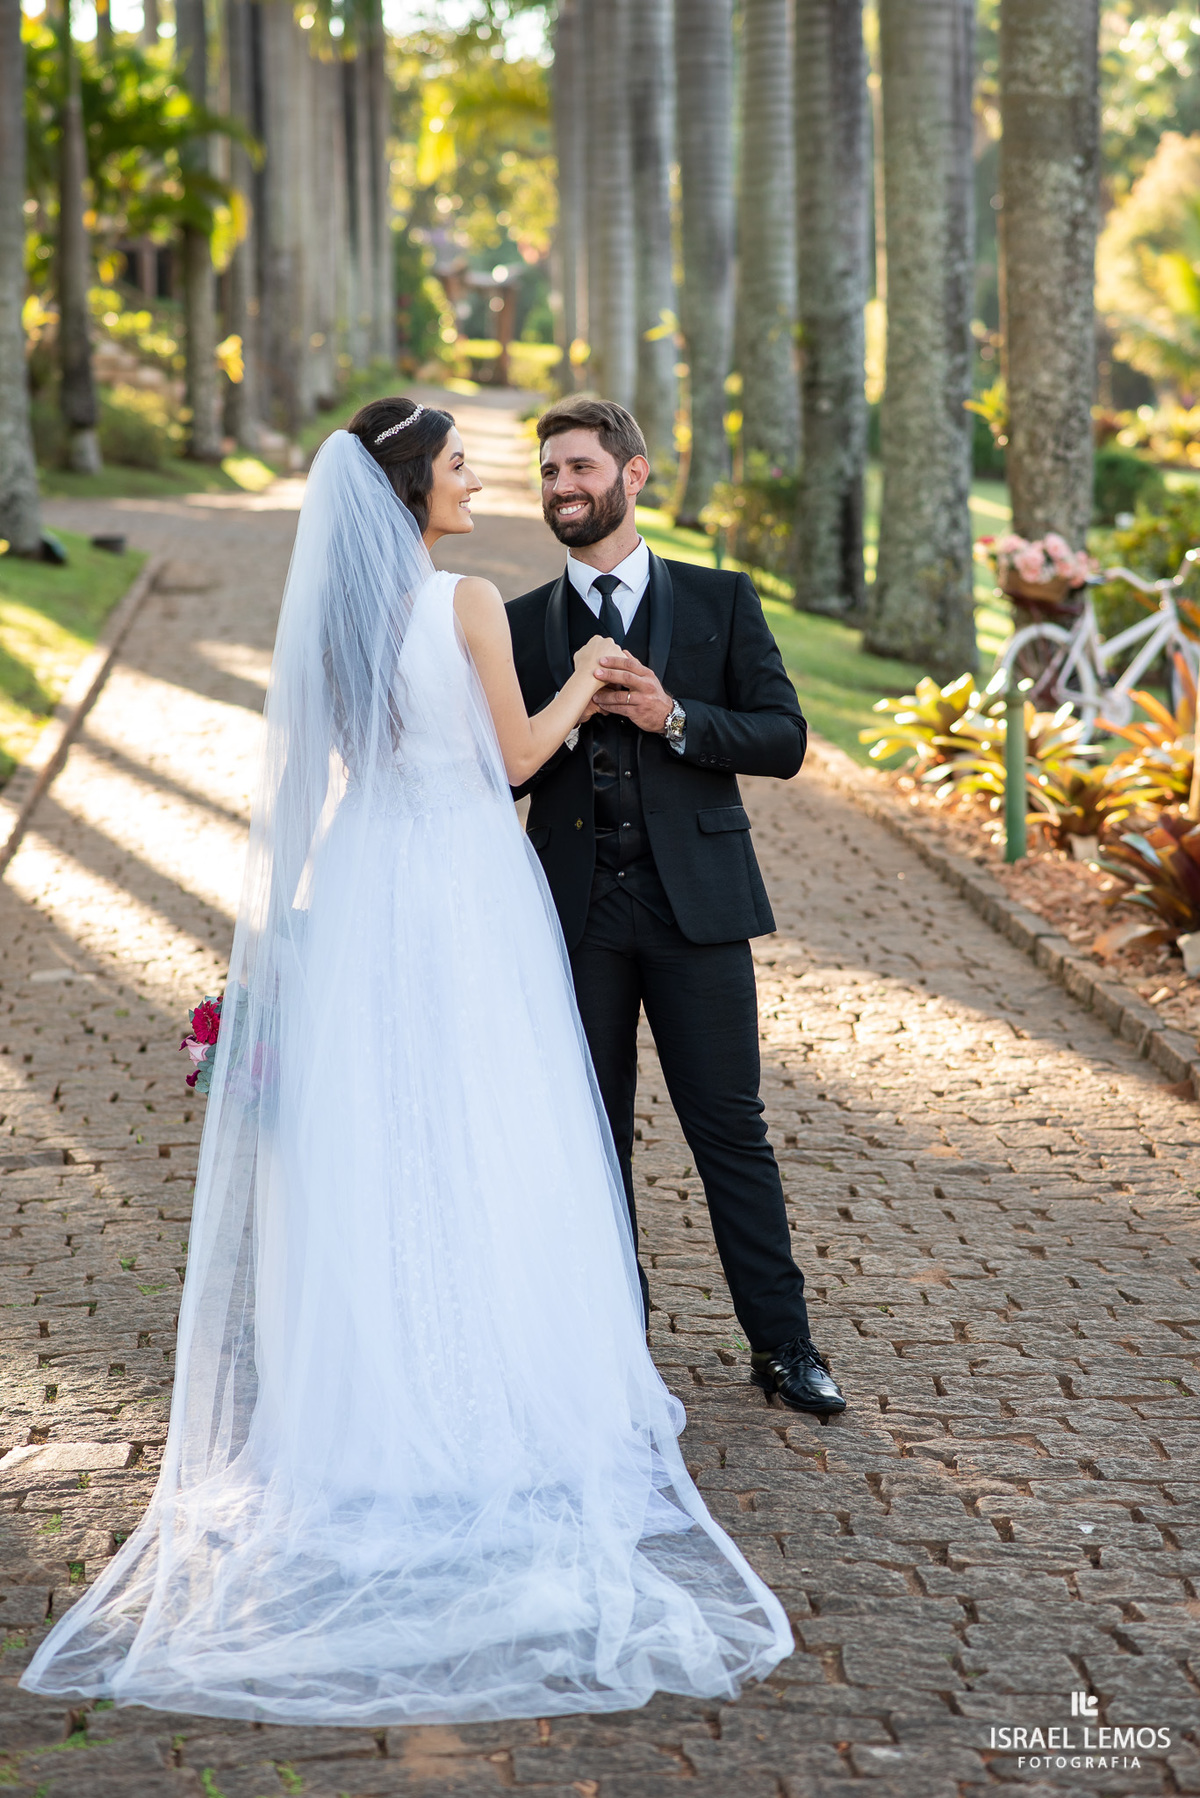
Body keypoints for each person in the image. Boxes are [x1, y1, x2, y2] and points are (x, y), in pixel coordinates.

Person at [21, 400, 793, 1725]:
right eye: (459, 465)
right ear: (412, 489)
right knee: (490, 1126)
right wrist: (589, 679)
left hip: (366, 879)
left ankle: (376, 1389)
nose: (479, 481)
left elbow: (327, 771)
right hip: (462, 884)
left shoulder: (331, 619)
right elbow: (514, 759)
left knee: (388, 1135)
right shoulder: (470, 603)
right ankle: (489, 1380)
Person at [506, 397, 845, 1419]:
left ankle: (784, 1345)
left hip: (697, 907)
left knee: (730, 1130)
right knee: (591, 1134)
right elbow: (497, 768)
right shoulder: (519, 622)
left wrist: (675, 717)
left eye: (579, 467)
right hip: (574, 915)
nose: (563, 487)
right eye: (549, 472)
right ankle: (615, 1345)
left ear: (634, 473)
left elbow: (785, 738)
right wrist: (564, 720)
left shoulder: (719, 599)